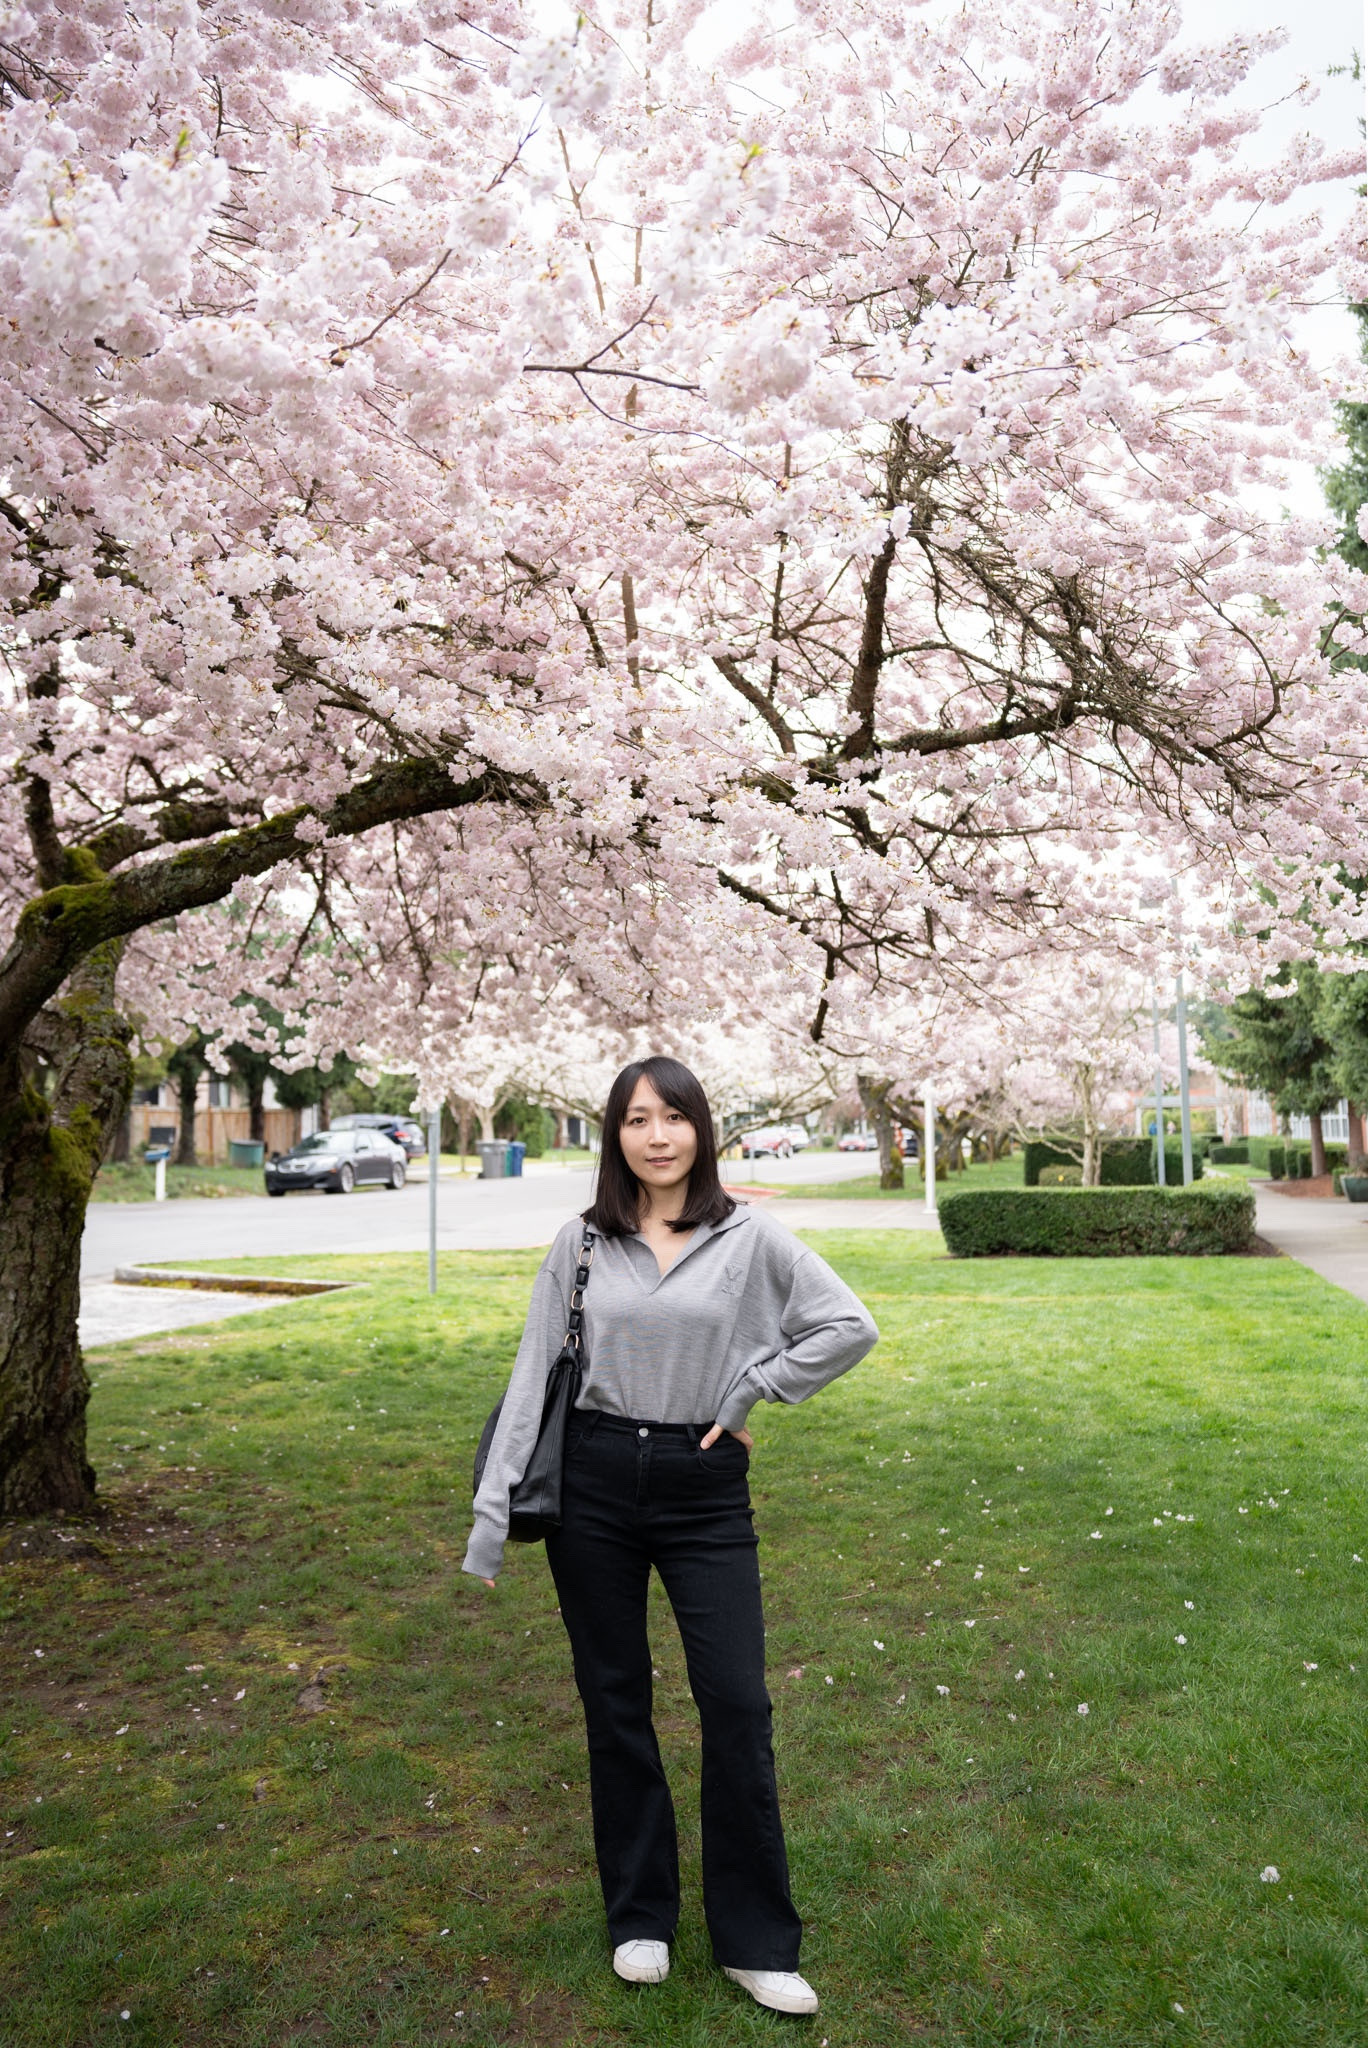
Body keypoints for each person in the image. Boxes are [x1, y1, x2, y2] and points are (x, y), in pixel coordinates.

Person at [464, 1055, 879, 2016]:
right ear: (616, 1135)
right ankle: (640, 1918)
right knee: (615, 1707)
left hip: (703, 1489)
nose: (657, 1136)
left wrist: (752, 1387)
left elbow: (846, 1326)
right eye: (637, 1119)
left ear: (702, 1128)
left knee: (736, 1704)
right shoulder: (579, 1243)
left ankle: (756, 1942)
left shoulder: (749, 1239)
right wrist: (492, 1520)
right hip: (595, 1487)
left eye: (674, 1118)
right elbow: (533, 1379)